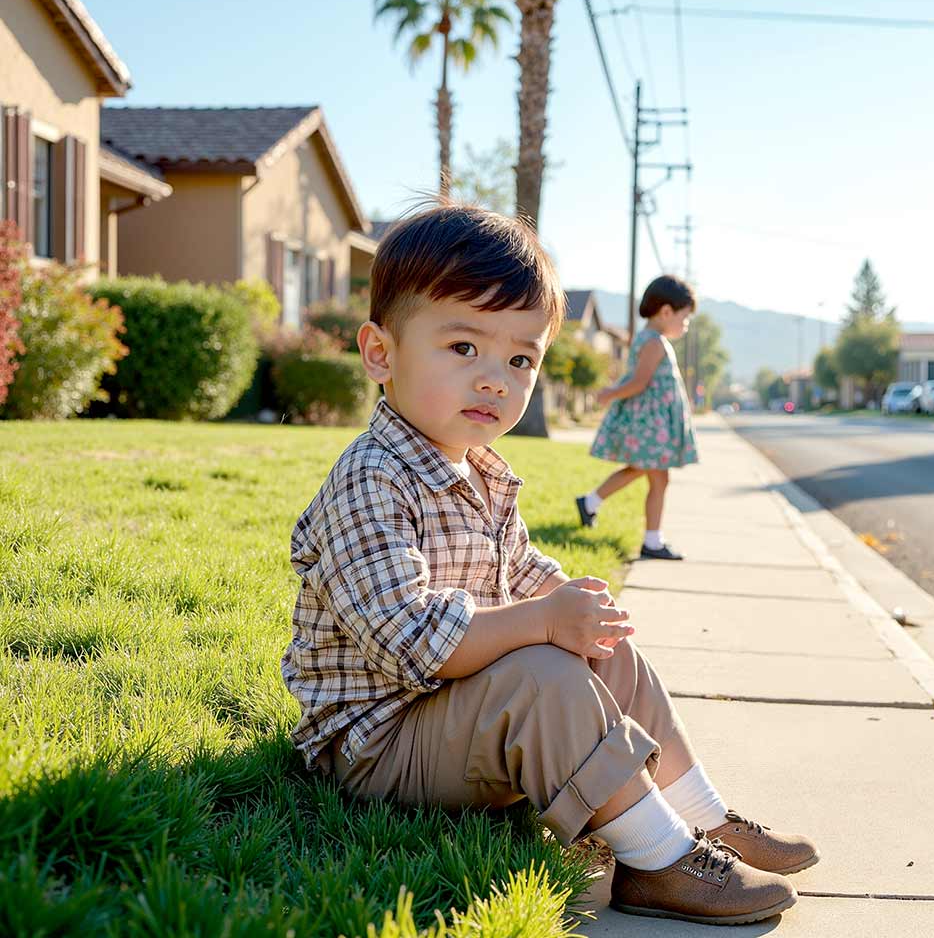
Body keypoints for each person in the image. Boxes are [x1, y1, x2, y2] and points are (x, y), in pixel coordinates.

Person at [282, 206, 815, 926]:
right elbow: (407, 637)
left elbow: (522, 569)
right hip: (381, 745)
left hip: (456, 716)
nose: (495, 380)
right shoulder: (371, 478)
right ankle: (655, 861)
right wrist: (540, 623)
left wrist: (570, 606)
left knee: (604, 651)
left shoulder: (480, 471)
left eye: (520, 359)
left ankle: (700, 818)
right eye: (464, 347)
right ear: (381, 353)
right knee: (544, 675)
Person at [575, 275, 699, 561]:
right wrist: (611, 393)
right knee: (657, 479)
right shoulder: (654, 342)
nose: (686, 324)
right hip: (651, 425)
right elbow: (640, 382)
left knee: (644, 471)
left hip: (652, 424)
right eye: (685, 317)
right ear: (666, 311)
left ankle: (590, 502)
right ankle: (652, 540)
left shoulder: (651, 339)